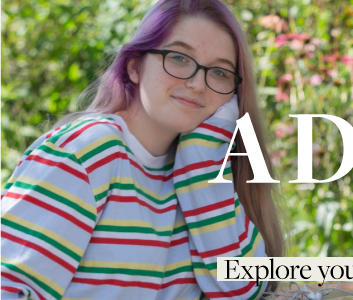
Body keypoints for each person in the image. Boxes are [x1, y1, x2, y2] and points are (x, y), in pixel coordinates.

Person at [0, 0, 284, 299]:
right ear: (134, 66)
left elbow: (241, 289)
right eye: (178, 58)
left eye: (220, 73)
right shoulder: (87, 151)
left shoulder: (201, 176)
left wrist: (201, 159)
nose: (198, 83)